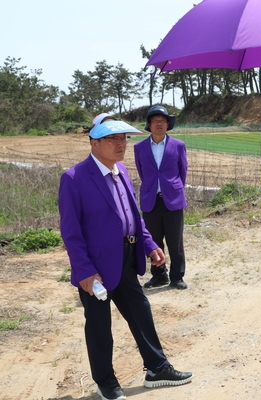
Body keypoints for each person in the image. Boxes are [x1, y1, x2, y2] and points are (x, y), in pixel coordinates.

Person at [58, 120, 193, 400]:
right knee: (99, 325)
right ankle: (105, 381)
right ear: (94, 144)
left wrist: (149, 244)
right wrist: (84, 270)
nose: (121, 145)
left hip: (127, 257)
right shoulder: (74, 178)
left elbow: (132, 216)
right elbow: (71, 232)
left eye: (124, 139)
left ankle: (157, 368)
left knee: (140, 312)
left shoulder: (121, 171)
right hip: (95, 268)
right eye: (112, 140)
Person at [134, 106, 189, 290]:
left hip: (172, 199)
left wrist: (172, 188)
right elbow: (142, 172)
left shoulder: (178, 145)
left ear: (167, 124)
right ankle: (159, 276)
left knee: (175, 241)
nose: (159, 123)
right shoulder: (139, 147)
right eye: (155, 120)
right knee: (153, 241)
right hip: (151, 200)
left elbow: (183, 171)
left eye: (163, 120)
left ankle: (177, 276)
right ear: (149, 125)